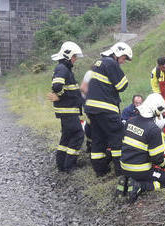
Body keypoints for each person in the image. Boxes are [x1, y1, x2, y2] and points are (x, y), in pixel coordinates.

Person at [84, 42, 132, 177]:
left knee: (98, 138)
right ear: (118, 54)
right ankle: (120, 171)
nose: (123, 62)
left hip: (92, 109)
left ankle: (100, 170)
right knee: (118, 136)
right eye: (123, 58)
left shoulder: (97, 63)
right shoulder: (111, 63)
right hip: (106, 108)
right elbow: (122, 85)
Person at [117, 93, 165, 203]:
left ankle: (126, 181)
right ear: (157, 111)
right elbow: (156, 159)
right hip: (141, 171)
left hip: (124, 166)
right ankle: (140, 186)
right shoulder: (154, 130)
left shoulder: (130, 121)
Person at [47, 41, 84, 172]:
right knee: (78, 135)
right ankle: (70, 165)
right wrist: (61, 96)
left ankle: (62, 164)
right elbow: (57, 86)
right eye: (74, 56)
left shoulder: (64, 68)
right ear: (68, 55)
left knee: (67, 136)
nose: (75, 59)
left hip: (68, 110)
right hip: (68, 110)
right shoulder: (62, 68)